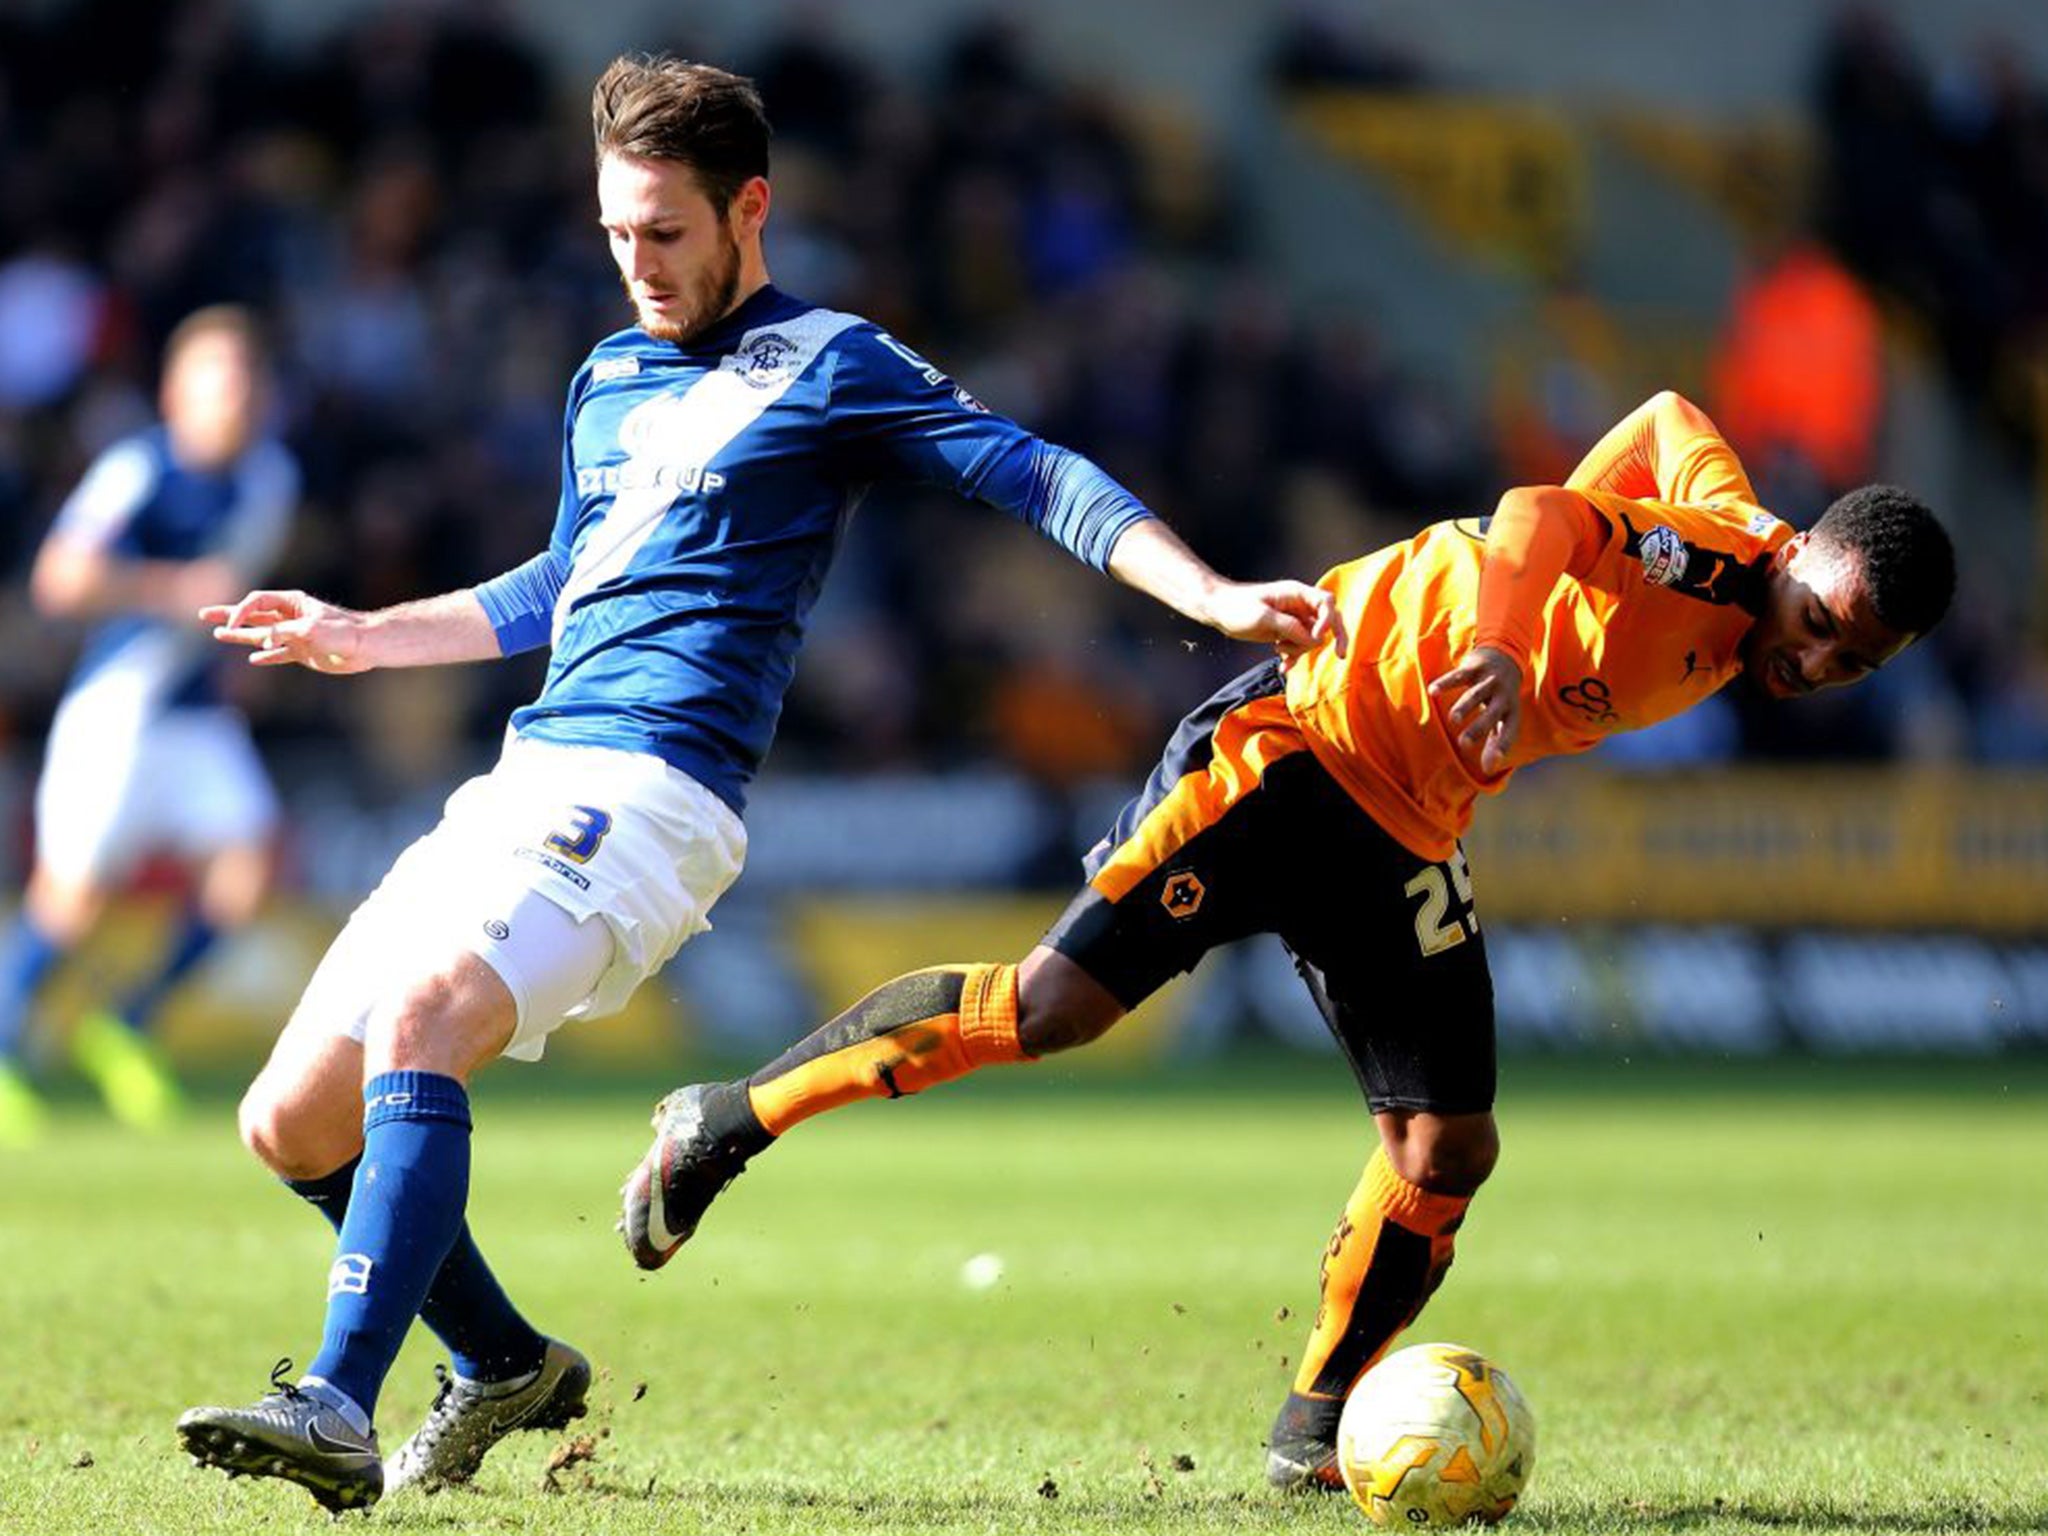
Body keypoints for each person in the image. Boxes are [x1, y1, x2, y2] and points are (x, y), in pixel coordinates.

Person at [172, 55, 1336, 1514]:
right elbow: (563, 581)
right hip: (525, 776)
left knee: (428, 1019)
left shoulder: (838, 363)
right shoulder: (604, 377)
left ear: (751, 209)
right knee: (290, 1121)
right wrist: (365, 633)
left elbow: (1037, 475)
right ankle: (503, 1365)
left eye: (666, 232)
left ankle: (338, 1401)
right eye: (615, 233)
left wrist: (1213, 592)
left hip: (658, 796)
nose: (638, 265)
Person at [618, 389, 1957, 1490]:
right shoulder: (1721, 562)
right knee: (1052, 1010)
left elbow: (1667, 417)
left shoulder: (1733, 550)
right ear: (1798, 560)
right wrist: (1502, 630)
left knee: (1447, 1150)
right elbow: (1544, 510)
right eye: (1823, 625)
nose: (1819, 662)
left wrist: (1564, 577)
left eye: (1857, 662)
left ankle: (1314, 1426)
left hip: (1413, 827)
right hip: (1299, 743)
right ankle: (724, 1119)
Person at [0, 306, 294, 1146]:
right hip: (120, 708)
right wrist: (166, 587)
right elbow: (60, 580)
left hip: (195, 718)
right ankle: (8, 1051)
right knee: (73, 900)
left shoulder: (269, 478)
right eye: (218, 379)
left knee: (248, 871)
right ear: (177, 392)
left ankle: (127, 1020)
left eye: (246, 380)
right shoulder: (138, 469)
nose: (234, 397)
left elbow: (229, 593)